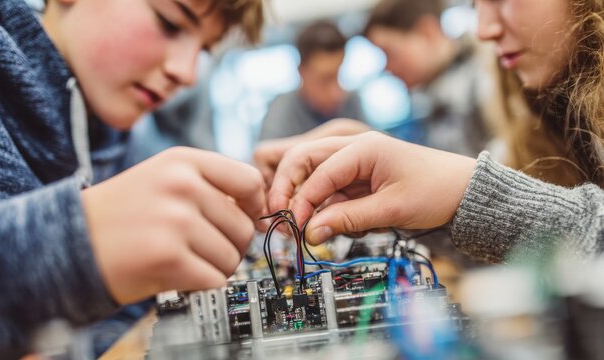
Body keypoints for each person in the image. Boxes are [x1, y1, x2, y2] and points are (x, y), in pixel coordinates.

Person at [0, 0, 265, 357]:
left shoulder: (113, 135)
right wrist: (76, 242)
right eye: (169, 23)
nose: (188, 73)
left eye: (203, 49)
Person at [266, 0, 604, 263]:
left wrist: (468, 194)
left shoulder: (486, 90)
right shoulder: (532, 102)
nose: (484, 29)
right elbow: (532, 265)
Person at [364, 0, 492, 156]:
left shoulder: (485, 81)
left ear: (427, 32)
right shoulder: (425, 95)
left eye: (389, 53)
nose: (387, 67)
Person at [258, 20, 367, 141]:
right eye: (325, 79)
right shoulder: (282, 109)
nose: (336, 92)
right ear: (302, 72)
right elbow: (263, 155)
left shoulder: (351, 101)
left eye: (339, 75)